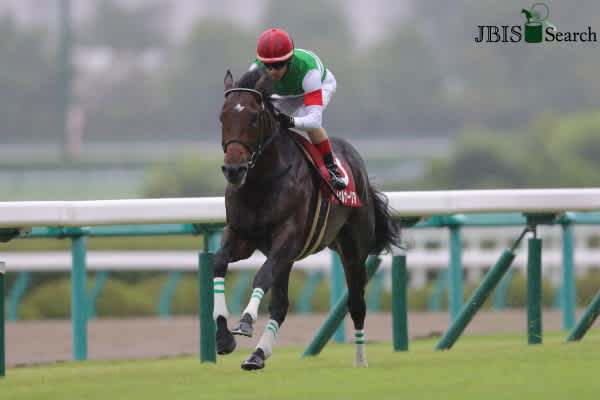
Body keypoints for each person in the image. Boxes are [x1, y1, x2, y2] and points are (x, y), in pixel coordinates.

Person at [250, 28, 346, 190]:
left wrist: (289, 121)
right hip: (287, 94)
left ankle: (332, 168)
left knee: (306, 119)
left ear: (289, 60)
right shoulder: (255, 69)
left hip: (318, 86)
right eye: (268, 66)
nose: (272, 71)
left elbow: (314, 121)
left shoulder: (309, 71)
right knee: (265, 119)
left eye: (278, 65)